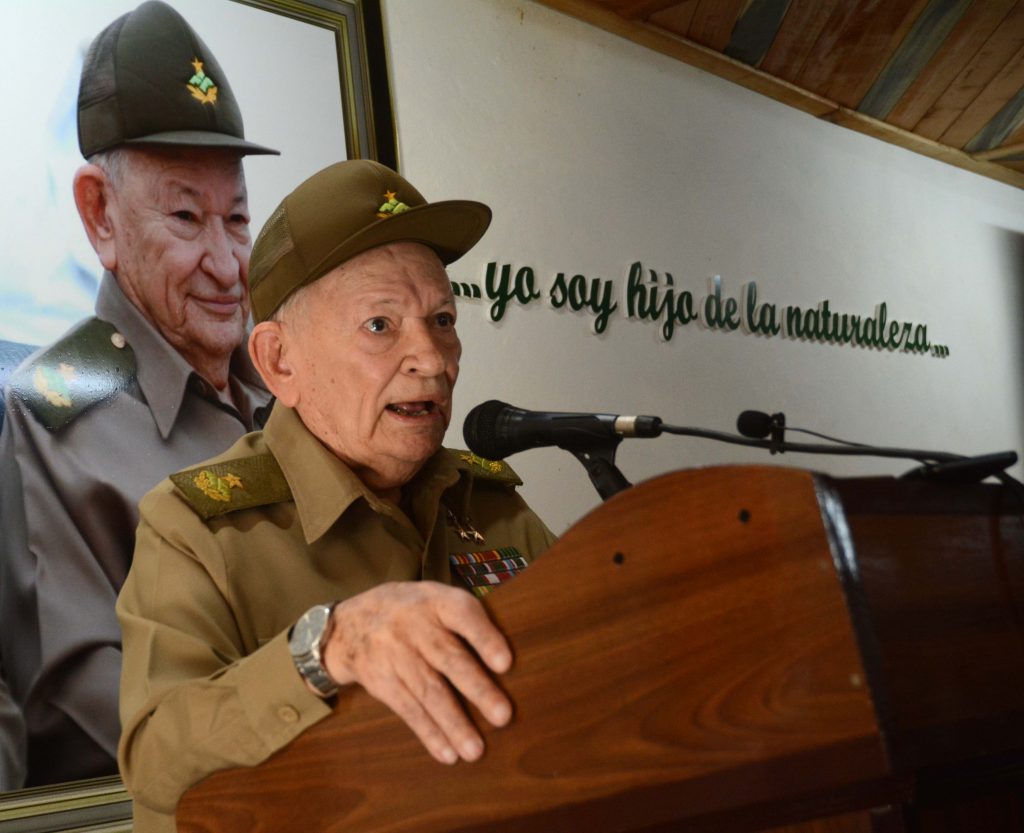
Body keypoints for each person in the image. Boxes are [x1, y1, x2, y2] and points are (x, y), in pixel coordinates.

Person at [116, 159, 556, 831]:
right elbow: (156, 759)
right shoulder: (196, 527)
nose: (433, 359)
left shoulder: (493, 505)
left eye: (441, 318)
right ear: (279, 362)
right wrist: (324, 649)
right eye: (381, 325)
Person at [0, 0, 275, 786]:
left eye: (239, 217)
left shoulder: (291, 395)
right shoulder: (52, 418)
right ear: (101, 215)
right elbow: (85, 709)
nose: (227, 265)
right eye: (187, 217)